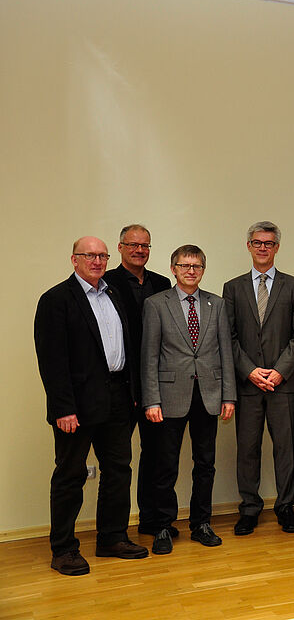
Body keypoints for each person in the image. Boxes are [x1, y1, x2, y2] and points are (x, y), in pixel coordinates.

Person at [34, 236, 149, 576]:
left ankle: (112, 538)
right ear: (74, 259)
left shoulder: (113, 294)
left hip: (117, 397)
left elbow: (127, 348)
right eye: (90, 255)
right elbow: (52, 360)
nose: (97, 261)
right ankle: (65, 550)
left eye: (102, 255)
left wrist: (134, 394)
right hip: (77, 406)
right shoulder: (56, 299)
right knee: (70, 475)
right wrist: (62, 408)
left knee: (118, 470)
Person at [141, 245, 236, 555]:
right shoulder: (156, 304)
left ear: (203, 270)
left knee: (205, 464)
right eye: (184, 265)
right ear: (174, 269)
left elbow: (226, 352)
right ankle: (164, 526)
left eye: (196, 266)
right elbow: (149, 356)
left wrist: (229, 396)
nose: (191, 270)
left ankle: (201, 523)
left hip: (208, 396)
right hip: (169, 397)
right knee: (164, 465)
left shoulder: (217, 304)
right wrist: (151, 400)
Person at [224, 221, 294, 535]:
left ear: (276, 247)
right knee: (247, 449)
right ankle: (249, 509)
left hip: (282, 384)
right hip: (247, 384)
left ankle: (286, 507)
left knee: (285, 448)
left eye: (269, 243)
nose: (263, 248)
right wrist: (250, 370)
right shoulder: (233, 288)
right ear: (249, 246)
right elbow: (229, 337)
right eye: (258, 243)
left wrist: (278, 371)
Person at [102, 224, 172, 537]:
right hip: (121, 385)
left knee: (157, 455)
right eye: (132, 245)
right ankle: (114, 530)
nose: (139, 250)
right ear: (120, 247)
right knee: (117, 461)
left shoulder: (162, 282)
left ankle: (153, 521)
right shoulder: (107, 282)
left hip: (156, 384)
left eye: (145, 245)